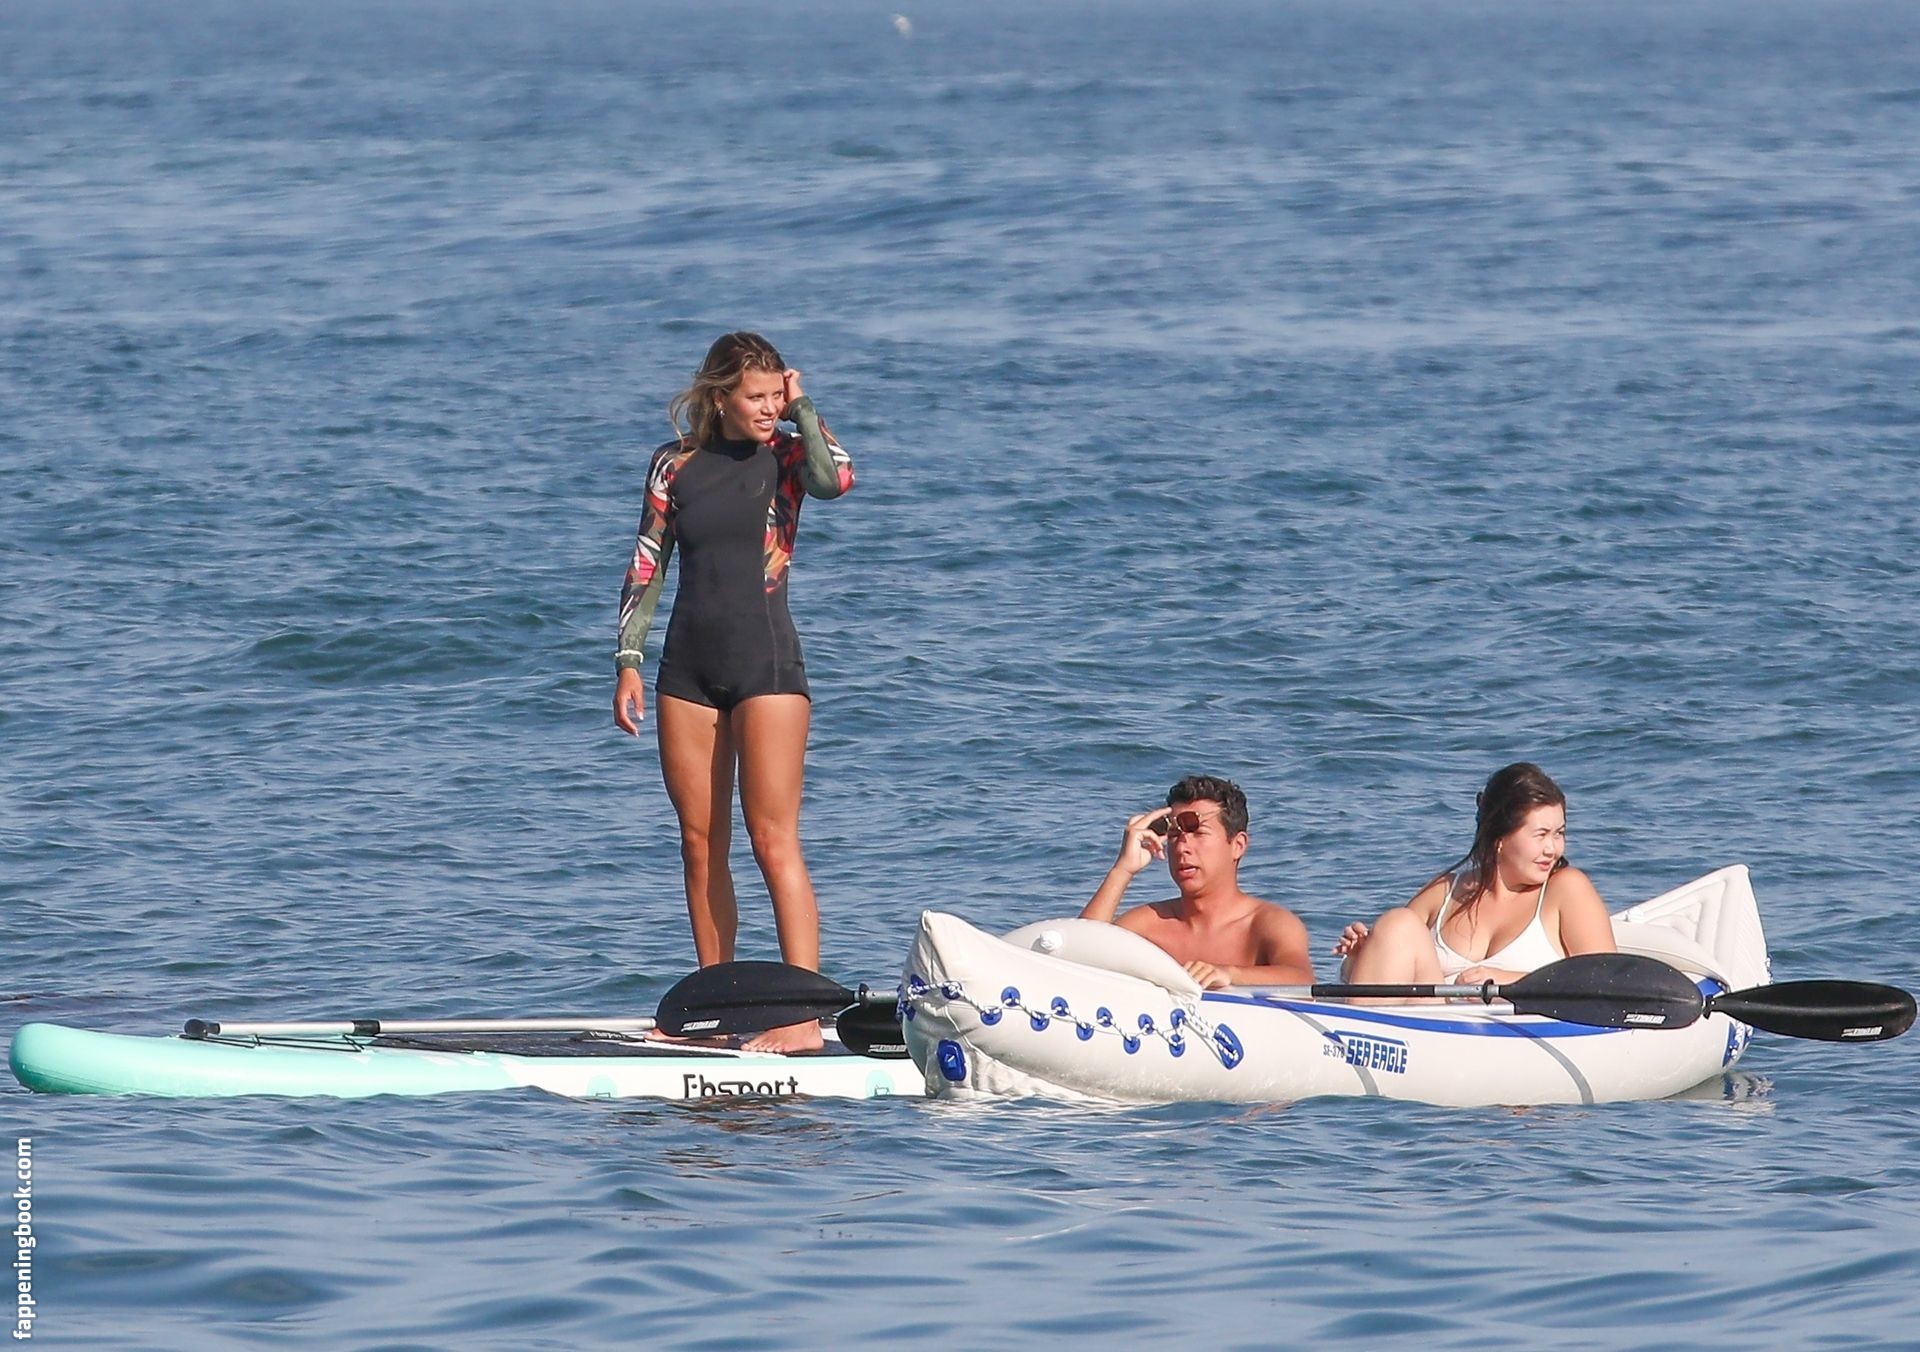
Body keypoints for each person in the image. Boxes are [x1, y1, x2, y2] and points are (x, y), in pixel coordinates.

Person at [612, 331, 855, 1052]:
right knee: (699, 843)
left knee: (772, 839)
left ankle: (802, 1017)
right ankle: (715, 1010)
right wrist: (628, 660)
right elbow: (647, 562)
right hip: (687, 670)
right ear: (720, 397)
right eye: (757, 397)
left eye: (777, 394)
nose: (769, 407)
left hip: (767, 669)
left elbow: (836, 479)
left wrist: (803, 406)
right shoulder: (674, 464)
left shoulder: (787, 457)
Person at [1332, 762, 1616, 987]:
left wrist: (1512, 983)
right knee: (1398, 922)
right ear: (1500, 838)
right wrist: (1360, 956)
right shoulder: (1444, 892)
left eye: (1559, 834)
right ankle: (1353, 1037)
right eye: (1541, 835)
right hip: (1434, 1024)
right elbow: (1383, 970)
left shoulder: (1566, 889)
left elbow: (1608, 982)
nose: (1552, 849)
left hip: (1520, 1032)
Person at [1080, 775, 1314, 989]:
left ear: (1238, 845)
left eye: (1199, 833)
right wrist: (1123, 869)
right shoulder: (1148, 926)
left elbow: (1302, 980)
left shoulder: (1267, 924)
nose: (1182, 847)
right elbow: (1076, 961)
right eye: (1174, 835)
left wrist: (1229, 974)